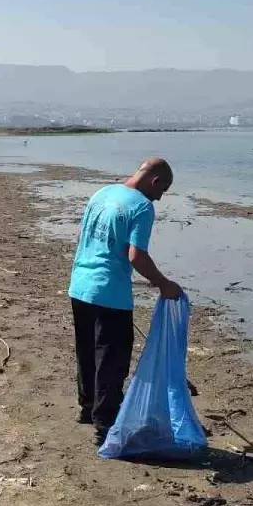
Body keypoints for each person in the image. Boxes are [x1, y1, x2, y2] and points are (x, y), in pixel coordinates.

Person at [68, 157, 183, 446]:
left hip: (80, 285)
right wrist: (163, 284)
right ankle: (105, 423)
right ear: (155, 181)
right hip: (110, 293)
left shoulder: (102, 193)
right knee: (112, 358)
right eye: (163, 190)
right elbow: (137, 256)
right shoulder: (143, 207)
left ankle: (87, 406)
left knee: (87, 350)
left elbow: (83, 237)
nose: (160, 197)